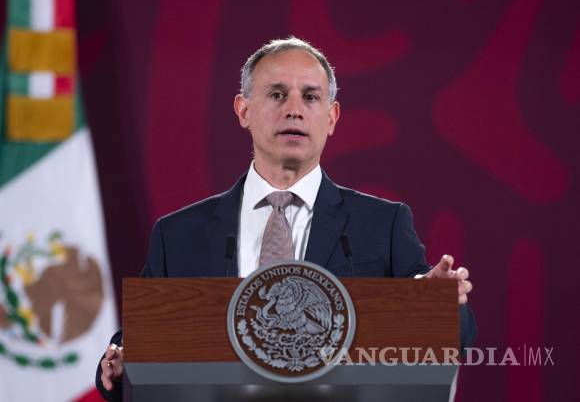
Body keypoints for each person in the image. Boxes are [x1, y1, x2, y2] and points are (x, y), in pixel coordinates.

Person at [96, 37, 476, 400]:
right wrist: (120, 363)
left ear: (332, 117)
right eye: (277, 94)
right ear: (243, 110)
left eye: (310, 97)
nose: (294, 109)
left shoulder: (382, 225)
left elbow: (458, 336)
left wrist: (435, 302)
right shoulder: (179, 235)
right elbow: (138, 343)